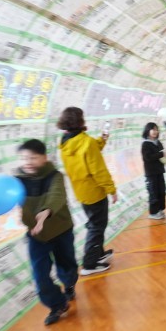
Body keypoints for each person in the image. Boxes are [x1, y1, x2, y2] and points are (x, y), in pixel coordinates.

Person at [0, 139, 78, 325]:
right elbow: (4, 199)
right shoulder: (17, 181)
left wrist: (45, 213)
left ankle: (69, 283)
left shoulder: (55, 176)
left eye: (33, 157)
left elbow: (56, 196)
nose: (28, 162)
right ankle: (58, 304)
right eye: (24, 158)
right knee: (40, 276)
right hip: (36, 235)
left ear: (44, 158)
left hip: (61, 230)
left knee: (67, 265)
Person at [58, 107, 116, 276]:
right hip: (95, 192)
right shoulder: (86, 142)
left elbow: (92, 149)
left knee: (94, 224)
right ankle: (89, 264)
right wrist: (111, 189)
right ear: (80, 121)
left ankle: (98, 253)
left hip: (81, 192)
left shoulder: (65, 142)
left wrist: (103, 139)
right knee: (97, 227)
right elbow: (98, 170)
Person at [141, 122, 166, 220]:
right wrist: (161, 154)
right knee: (153, 193)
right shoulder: (145, 144)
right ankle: (153, 213)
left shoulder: (158, 142)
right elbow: (148, 157)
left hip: (159, 171)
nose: (155, 131)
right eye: (153, 129)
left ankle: (160, 209)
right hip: (151, 173)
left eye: (156, 129)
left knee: (162, 191)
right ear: (148, 131)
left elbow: (163, 154)